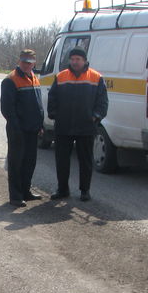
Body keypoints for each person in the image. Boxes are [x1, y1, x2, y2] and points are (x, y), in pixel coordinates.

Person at [46, 47, 108, 202]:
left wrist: (95, 117)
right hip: (63, 127)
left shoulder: (96, 77)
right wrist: (54, 114)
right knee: (62, 160)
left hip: (86, 127)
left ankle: (84, 190)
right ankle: (62, 189)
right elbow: (52, 97)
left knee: (85, 161)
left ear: (85, 61)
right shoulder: (61, 76)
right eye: (72, 59)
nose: (75, 62)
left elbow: (103, 102)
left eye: (78, 59)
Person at [0, 49, 45, 207]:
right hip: (17, 130)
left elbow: (38, 105)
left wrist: (40, 125)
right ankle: (16, 196)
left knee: (29, 162)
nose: (27, 65)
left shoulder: (34, 78)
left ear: (34, 63)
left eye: (30, 62)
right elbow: (7, 109)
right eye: (24, 62)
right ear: (19, 61)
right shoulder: (10, 80)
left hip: (32, 129)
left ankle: (26, 191)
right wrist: (16, 128)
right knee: (16, 163)